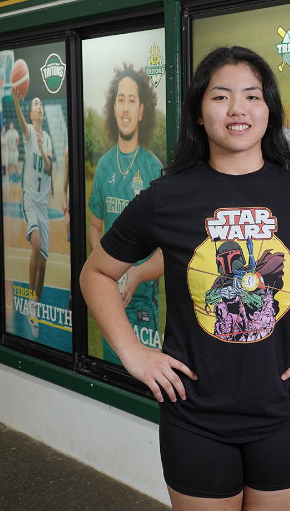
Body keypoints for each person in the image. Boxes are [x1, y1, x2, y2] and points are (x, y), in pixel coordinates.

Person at [80, 46, 290, 511]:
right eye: (221, 96)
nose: (237, 109)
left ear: (268, 110)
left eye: (252, 96)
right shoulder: (168, 196)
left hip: (285, 414)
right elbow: (96, 273)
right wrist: (134, 354)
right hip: (194, 419)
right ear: (200, 112)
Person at [88, 65, 164, 362]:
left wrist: (136, 272)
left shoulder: (154, 169)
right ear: (113, 107)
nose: (125, 107)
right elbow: (94, 227)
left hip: (144, 299)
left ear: (142, 110)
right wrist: (107, 265)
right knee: (113, 372)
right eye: (120, 99)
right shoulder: (105, 166)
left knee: (145, 378)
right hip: (111, 298)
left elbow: (167, 251)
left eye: (132, 100)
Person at [13, 88, 53, 334]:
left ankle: (35, 307)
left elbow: (49, 168)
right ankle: (29, 299)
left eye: (40, 105)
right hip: (29, 199)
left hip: (43, 205)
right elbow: (21, 122)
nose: (39, 106)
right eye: (35, 104)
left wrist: (42, 147)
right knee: (36, 245)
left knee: (44, 263)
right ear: (31, 113)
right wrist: (18, 103)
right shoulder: (28, 132)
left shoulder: (46, 138)